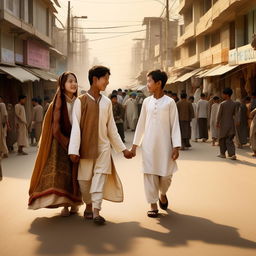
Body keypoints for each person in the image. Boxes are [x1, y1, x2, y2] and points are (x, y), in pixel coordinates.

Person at [68, 66, 133, 225]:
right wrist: (73, 150)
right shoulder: (80, 101)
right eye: (105, 78)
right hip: (85, 149)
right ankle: (88, 204)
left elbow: (111, 128)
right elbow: (76, 127)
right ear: (95, 79)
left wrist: (123, 150)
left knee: (99, 178)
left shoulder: (106, 103)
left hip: (103, 148)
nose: (108, 82)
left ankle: (96, 211)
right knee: (84, 181)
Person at [28, 71, 82, 216]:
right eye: (70, 81)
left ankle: (75, 203)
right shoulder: (57, 103)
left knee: (75, 173)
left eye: (75, 81)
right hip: (59, 144)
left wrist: (76, 144)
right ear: (62, 85)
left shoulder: (79, 102)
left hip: (76, 142)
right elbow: (54, 128)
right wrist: (67, 144)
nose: (73, 84)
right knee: (62, 175)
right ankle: (65, 205)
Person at [131, 70, 181, 218]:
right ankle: (153, 204)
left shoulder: (170, 102)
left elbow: (175, 125)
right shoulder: (146, 102)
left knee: (166, 176)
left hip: (165, 146)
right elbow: (140, 125)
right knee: (149, 175)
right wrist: (135, 146)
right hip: (148, 146)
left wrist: (176, 146)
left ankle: (163, 193)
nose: (147, 85)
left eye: (149, 81)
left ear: (159, 83)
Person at [216, 88, 237, 160]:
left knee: (222, 139)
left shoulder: (222, 104)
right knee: (229, 139)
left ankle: (222, 154)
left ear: (227, 95)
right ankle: (232, 154)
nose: (222, 95)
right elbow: (235, 114)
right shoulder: (234, 104)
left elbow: (219, 115)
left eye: (223, 94)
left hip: (223, 124)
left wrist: (217, 122)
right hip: (231, 123)